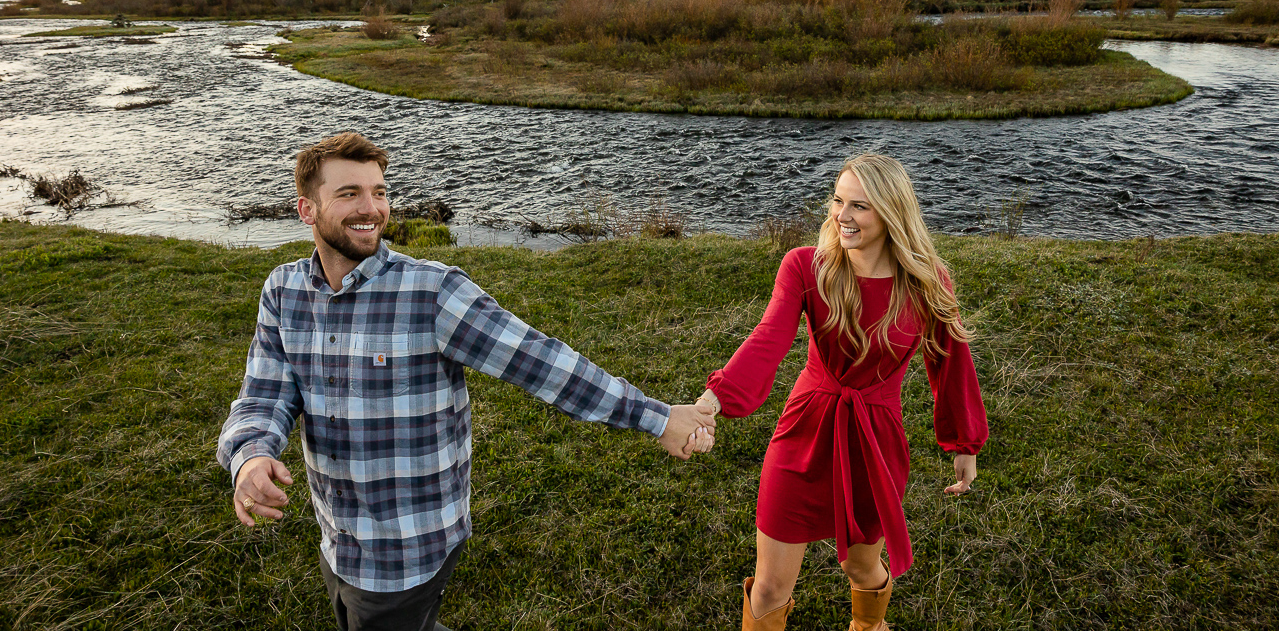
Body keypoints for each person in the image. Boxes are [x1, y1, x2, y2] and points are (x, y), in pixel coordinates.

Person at [216, 132, 714, 631]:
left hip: (408, 546)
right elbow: (264, 394)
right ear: (307, 209)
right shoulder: (284, 291)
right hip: (337, 534)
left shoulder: (432, 291)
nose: (371, 208)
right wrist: (251, 455)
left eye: (380, 192)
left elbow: (543, 363)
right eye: (349, 194)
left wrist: (658, 418)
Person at [697, 154, 988, 631]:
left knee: (859, 566)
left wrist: (963, 442)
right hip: (803, 433)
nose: (841, 216)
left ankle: (870, 628)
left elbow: (951, 361)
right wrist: (713, 401)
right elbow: (768, 339)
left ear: (892, 212)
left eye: (860, 206)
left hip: (875, 441)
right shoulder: (806, 267)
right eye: (837, 200)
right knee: (770, 585)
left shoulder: (926, 280)